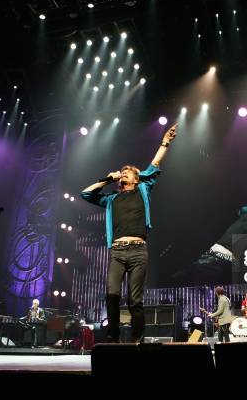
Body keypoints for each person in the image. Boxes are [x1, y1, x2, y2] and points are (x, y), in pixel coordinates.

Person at [81, 124, 177, 343]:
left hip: (138, 251)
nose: (123, 174)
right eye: (121, 173)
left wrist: (165, 142)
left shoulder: (144, 189)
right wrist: (108, 179)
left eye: (127, 172)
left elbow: (155, 163)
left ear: (136, 178)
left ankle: (136, 338)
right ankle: (113, 338)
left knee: (135, 299)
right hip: (117, 252)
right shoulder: (110, 200)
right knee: (112, 295)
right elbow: (85, 193)